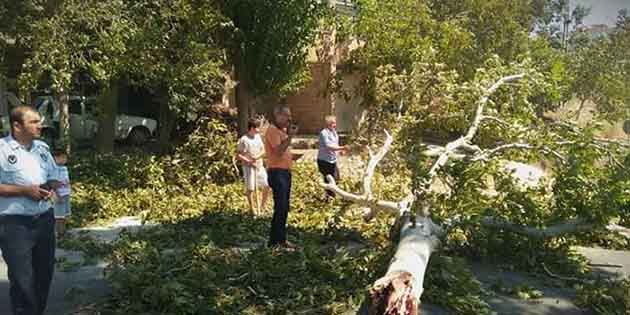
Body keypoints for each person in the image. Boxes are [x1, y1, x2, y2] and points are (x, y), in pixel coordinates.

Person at [0, 106, 61, 315]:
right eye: (33, 122)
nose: (40, 125)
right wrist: (24, 191)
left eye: (39, 121)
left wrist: (51, 187)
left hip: (44, 220)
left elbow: (54, 174)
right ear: (17, 125)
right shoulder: (1, 150)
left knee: (44, 276)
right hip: (15, 226)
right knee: (22, 281)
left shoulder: (42, 148)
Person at [264, 105, 300, 251]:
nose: (289, 119)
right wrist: (291, 137)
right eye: (286, 115)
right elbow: (278, 151)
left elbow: (283, 151)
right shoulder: (272, 130)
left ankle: (281, 240)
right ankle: (274, 242)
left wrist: (292, 156)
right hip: (277, 173)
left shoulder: (281, 131)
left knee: (284, 207)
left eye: (289, 115)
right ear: (277, 115)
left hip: (285, 172)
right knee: (280, 207)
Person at [236, 118, 270, 215]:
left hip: (259, 166)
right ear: (252, 128)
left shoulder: (258, 137)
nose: (259, 129)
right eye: (257, 127)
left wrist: (257, 157)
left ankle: (263, 207)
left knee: (267, 185)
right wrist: (249, 161)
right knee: (250, 189)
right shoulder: (244, 140)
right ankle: (252, 209)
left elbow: (263, 150)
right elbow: (238, 155)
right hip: (248, 168)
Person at [317, 115, 347, 198]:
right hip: (324, 161)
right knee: (329, 181)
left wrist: (341, 151)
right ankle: (329, 199)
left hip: (333, 160)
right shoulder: (324, 133)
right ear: (328, 123)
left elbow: (335, 146)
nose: (335, 125)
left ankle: (331, 198)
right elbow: (329, 146)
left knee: (337, 179)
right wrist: (343, 147)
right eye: (333, 123)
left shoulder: (334, 132)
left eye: (335, 123)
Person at [52, 150, 71, 237]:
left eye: (65, 158)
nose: (64, 160)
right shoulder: (54, 169)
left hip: (66, 194)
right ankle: (57, 233)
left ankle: (63, 232)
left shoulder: (64, 168)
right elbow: (52, 183)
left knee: (66, 215)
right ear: (55, 158)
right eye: (62, 157)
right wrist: (56, 194)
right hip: (59, 195)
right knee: (59, 216)